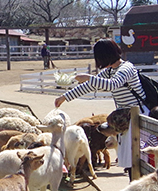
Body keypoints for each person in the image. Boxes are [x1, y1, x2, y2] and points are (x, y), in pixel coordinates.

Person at [54, 38, 146, 180]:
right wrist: (64, 97)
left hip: (138, 117)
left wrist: (89, 77)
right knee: (130, 158)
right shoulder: (109, 71)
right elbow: (89, 86)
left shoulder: (126, 68)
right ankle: (135, 187)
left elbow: (112, 84)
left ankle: (139, 188)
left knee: (136, 157)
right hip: (125, 119)